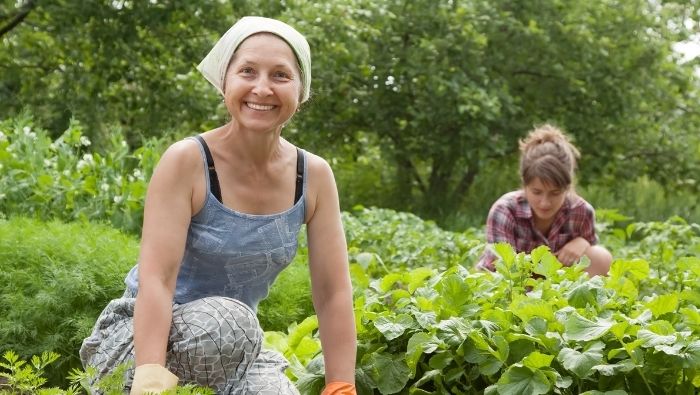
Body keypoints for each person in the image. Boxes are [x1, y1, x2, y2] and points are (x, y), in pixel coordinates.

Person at [80, 16, 357, 395]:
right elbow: (157, 280)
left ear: (301, 89)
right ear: (224, 81)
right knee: (229, 323)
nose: (262, 88)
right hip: (140, 343)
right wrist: (149, 376)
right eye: (247, 71)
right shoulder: (187, 161)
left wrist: (340, 383)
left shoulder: (314, 176)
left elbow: (333, 292)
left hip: (235, 349)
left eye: (280, 75)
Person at [477, 124, 612, 277]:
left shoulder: (581, 212)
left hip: (556, 291)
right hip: (508, 288)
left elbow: (592, 264)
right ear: (525, 185)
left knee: (600, 257)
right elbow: (502, 269)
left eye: (555, 193)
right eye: (537, 192)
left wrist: (583, 242)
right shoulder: (505, 210)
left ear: (567, 187)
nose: (545, 203)